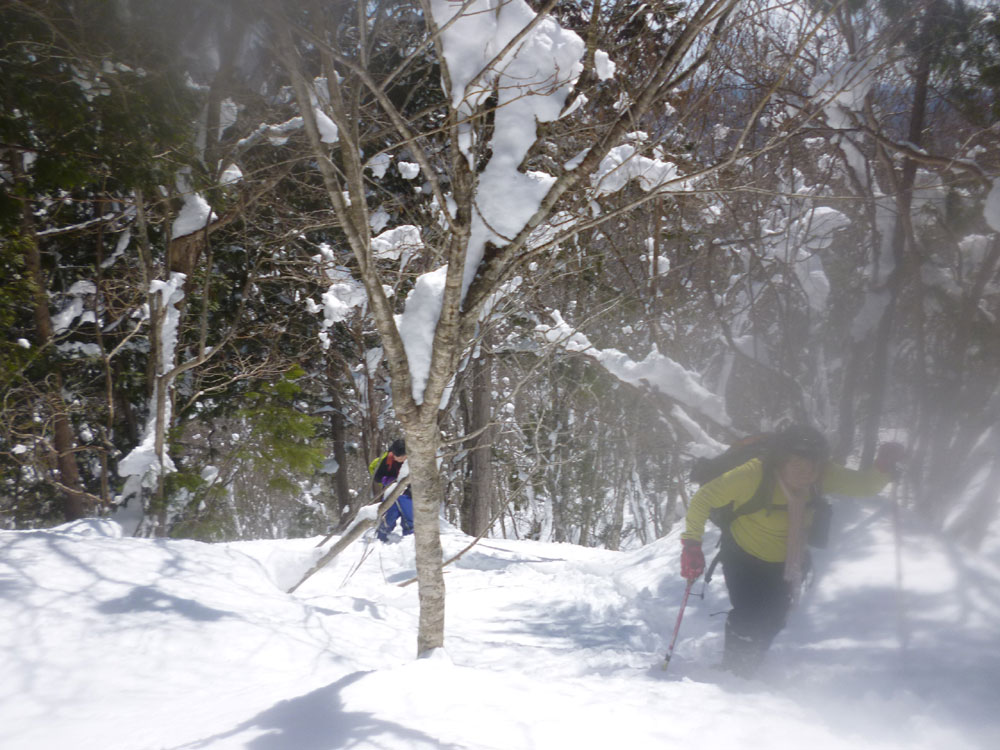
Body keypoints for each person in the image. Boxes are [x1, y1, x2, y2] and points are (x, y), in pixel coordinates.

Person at [679, 424, 905, 676]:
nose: (806, 472)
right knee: (748, 614)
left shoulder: (822, 475)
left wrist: (882, 467)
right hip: (743, 555)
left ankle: (750, 662)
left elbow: (863, 485)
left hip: (785, 561)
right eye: (797, 464)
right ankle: (734, 671)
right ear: (781, 460)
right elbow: (704, 499)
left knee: (775, 617)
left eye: (813, 466)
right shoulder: (753, 474)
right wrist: (692, 544)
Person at [372, 439, 413, 542]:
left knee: (409, 517)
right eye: (395, 455)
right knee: (389, 516)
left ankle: (410, 540)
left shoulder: (413, 461)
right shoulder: (388, 459)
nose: (396, 458)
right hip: (391, 493)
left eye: (400, 457)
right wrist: (386, 480)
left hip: (408, 494)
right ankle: (380, 538)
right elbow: (377, 476)